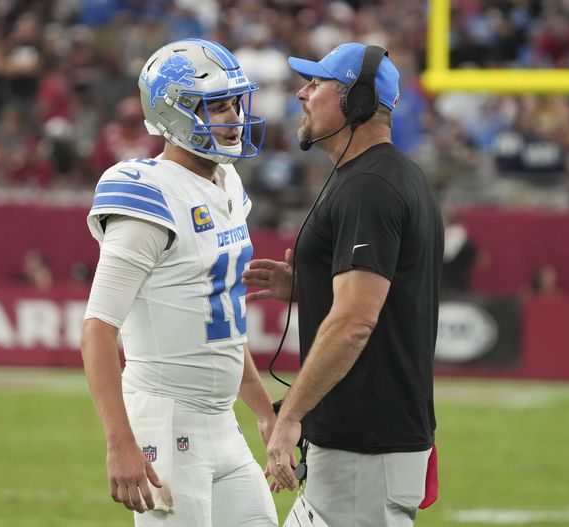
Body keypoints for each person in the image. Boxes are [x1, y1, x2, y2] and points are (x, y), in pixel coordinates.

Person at [242, 43, 443, 526]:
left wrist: (289, 415)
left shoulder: (370, 187)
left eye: (317, 83)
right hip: (363, 450)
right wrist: (309, 283)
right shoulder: (380, 177)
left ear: (356, 100)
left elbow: (355, 320)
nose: (301, 93)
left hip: (365, 452)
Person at [79, 39, 277, 527]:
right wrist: (120, 441)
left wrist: (263, 410)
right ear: (175, 114)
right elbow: (98, 329)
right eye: (216, 107)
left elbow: (221, 324)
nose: (232, 116)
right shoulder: (149, 197)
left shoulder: (227, 183)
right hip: (165, 422)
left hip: (221, 420)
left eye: (234, 103)